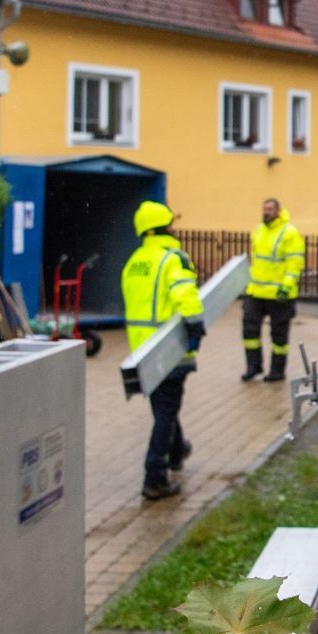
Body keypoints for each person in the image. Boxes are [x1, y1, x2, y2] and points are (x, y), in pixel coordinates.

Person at [121, 200, 205, 500]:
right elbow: (185, 294)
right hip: (169, 349)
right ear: (165, 226)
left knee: (163, 407)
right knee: (166, 413)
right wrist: (196, 327)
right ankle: (154, 478)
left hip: (142, 350)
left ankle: (178, 450)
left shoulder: (134, 262)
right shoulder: (173, 258)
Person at [241, 197, 305, 382]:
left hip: (280, 294)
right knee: (249, 331)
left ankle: (277, 371)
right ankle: (253, 367)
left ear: (278, 211)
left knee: (279, 336)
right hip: (256, 292)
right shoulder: (258, 230)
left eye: (270, 209)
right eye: (264, 208)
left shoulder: (289, 233)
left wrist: (286, 286)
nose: (266, 212)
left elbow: (295, 263)